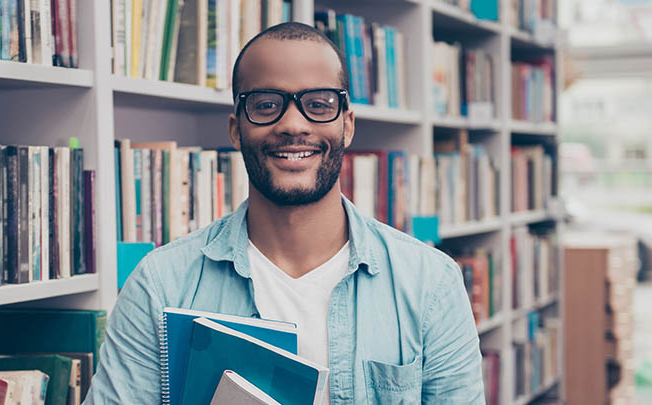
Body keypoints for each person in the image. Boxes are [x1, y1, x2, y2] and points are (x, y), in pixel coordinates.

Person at [84, 22, 484, 404]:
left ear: (347, 125)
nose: (293, 124)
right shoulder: (160, 285)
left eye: (318, 104)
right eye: (266, 105)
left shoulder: (430, 283)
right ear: (236, 128)